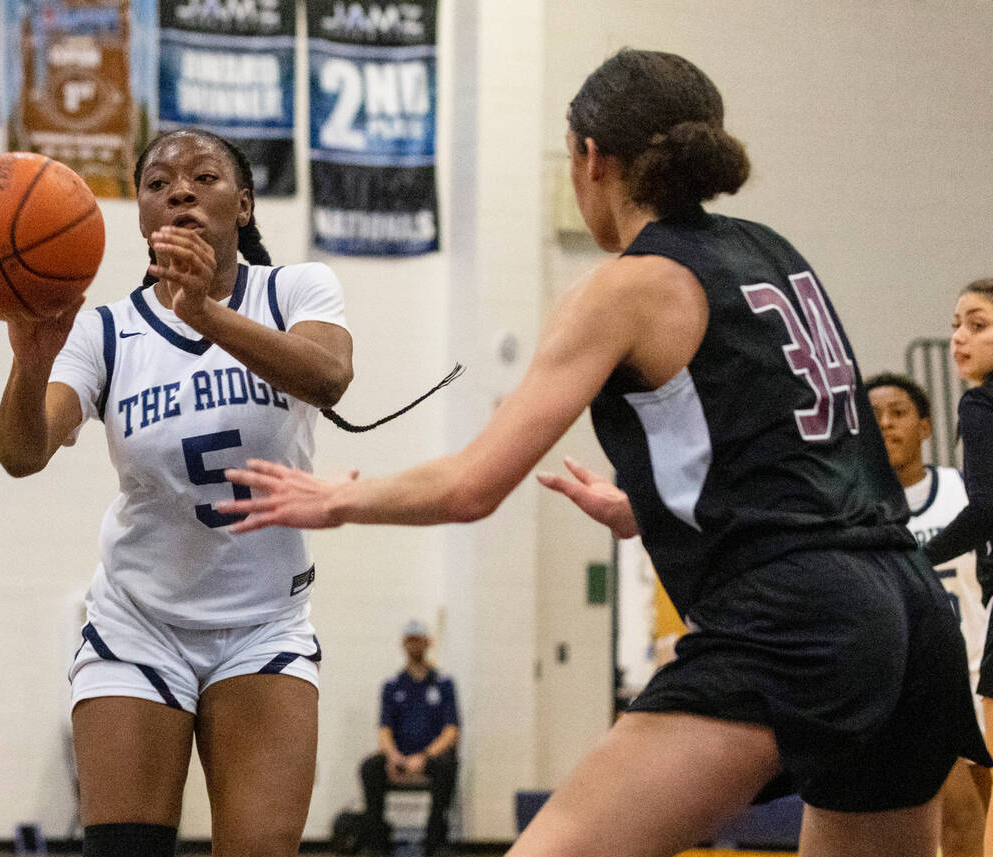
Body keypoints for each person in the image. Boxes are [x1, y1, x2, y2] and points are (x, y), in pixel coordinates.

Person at [218, 49, 991, 856]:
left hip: (794, 619)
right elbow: (811, 443)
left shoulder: (623, 287)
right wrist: (646, 505)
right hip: (908, 609)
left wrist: (335, 499)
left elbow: (471, 485)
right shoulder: (772, 250)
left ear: (591, 157)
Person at [0, 128, 354, 857]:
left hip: (263, 624)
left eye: (203, 176)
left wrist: (205, 314)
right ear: (141, 216)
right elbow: (22, 453)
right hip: (139, 619)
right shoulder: (107, 331)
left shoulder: (295, 288)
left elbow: (328, 375)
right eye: (158, 182)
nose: (179, 189)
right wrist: (30, 364)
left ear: (244, 204)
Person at [866, 372, 991, 857]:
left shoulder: (967, 493)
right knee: (960, 819)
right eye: (874, 417)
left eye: (898, 413)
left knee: (982, 818)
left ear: (924, 426)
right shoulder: (857, 507)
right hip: (918, 678)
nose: (886, 425)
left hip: (981, 667)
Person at [925, 279, 993, 857]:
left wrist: (913, 560)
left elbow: (989, 508)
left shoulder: (981, 403)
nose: (958, 338)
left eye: (978, 324)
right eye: (954, 325)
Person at [358, 619, 460, 856]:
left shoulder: (444, 684)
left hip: (431, 758)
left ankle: (433, 843)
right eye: (409, 640)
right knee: (370, 767)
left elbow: (451, 731)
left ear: (427, 643)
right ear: (403, 644)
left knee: (448, 767)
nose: (414, 645)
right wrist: (394, 757)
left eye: (418, 640)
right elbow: (384, 729)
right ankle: (378, 844)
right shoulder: (392, 686)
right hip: (399, 757)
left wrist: (424, 758)